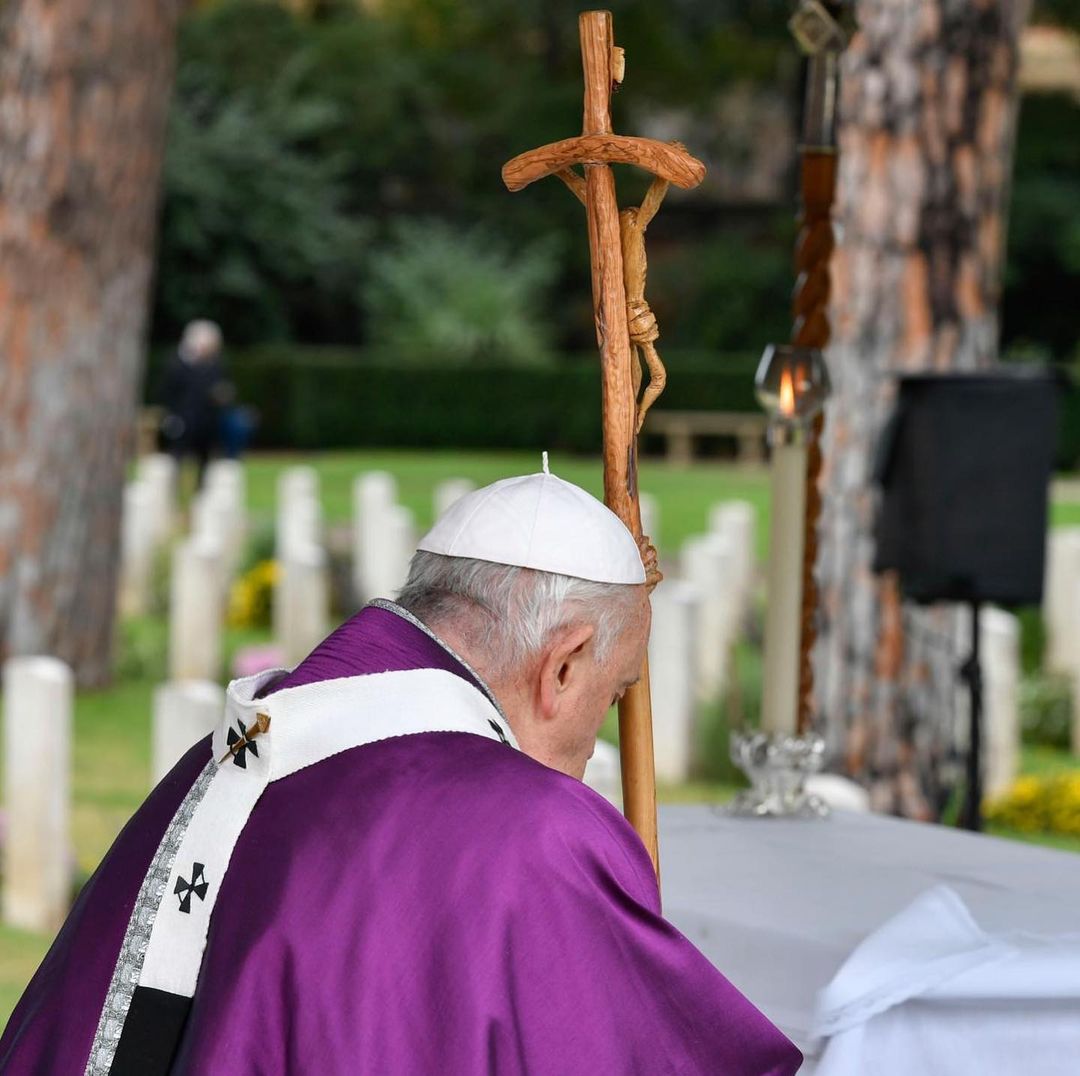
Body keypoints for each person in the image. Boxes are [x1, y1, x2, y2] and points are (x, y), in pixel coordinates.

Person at [0, 469, 801, 1075]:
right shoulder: (531, 832)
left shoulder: (241, 752)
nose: (595, 747)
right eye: (614, 691)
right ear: (563, 665)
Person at [158, 319, 231, 489]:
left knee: (205, 460)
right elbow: (167, 392)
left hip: (207, 421)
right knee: (176, 458)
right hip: (182, 419)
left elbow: (223, 387)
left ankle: (201, 494)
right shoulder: (177, 364)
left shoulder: (215, 365)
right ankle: (171, 492)